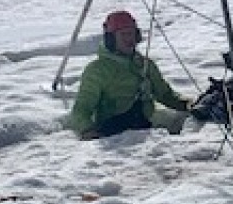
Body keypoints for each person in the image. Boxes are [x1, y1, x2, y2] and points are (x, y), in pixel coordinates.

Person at [70, 10, 191, 139]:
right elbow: (81, 109)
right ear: (111, 39)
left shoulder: (145, 65)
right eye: (124, 35)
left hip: (145, 130)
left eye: (132, 34)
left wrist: (188, 105)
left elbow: (165, 95)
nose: (130, 39)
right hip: (113, 137)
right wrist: (87, 130)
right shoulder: (97, 70)